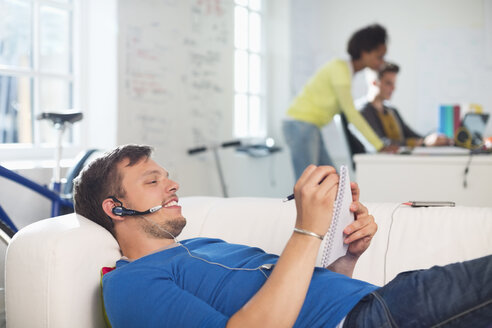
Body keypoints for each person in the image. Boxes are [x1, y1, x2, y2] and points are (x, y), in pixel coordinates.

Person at [73, 144, 492, 328]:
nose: (173, 185)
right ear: (116, 208)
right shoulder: (130, 284)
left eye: (168, 176)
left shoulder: (199, 247)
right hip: (373, 317)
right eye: (152, 181)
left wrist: (345, 255)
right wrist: (306, 228)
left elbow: (297, 307)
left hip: (374, 304)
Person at [283, 24, 393, 180]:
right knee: (307, 184)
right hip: (301, 125)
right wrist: (379, 146)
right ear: (365, 52)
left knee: (332, 180)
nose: (382, 62)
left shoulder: (346, 71)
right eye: (379, 56)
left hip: (309, 126)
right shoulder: (340, 70)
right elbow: (352, 115)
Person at [360, 61, 451, 148]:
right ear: (374, 82)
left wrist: (432, 139)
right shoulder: (364, 111)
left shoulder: (392, 111)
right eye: (388, 83)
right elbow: (381, 142)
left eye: (394, 83)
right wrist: (423, 143)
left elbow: (411, 135)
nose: (393, 88)